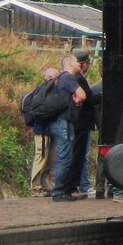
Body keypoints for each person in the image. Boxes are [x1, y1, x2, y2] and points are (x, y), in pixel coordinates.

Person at [50, 54, 87, 201]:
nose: (81, 64)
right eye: (77, 62)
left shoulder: (62, 79)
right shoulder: (68, 78)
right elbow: (82, 95)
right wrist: (78, 100)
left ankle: (63, 190)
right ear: (71, 63)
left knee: (66, 155)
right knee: (65, 156)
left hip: (63, 121)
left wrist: (77, 101)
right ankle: (59, 192)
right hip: (63, 122)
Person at [69, 49, 99, 197]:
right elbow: (90, 99)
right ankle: (75, 186)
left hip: (76, 121)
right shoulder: (79, 78)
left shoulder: (70, 77)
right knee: (79, 154)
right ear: (84, 64)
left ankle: (76, 185)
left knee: (77, 154)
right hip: (82, 122)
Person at [29, 66, 60, 196]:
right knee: (41, 157)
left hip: (47, 130)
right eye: (57, 78)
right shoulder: (45, 91)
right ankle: (36, 187)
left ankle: (44, 185)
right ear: (51, 78)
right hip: (42, 131)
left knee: (48, 158)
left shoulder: (42, 90)